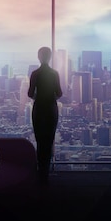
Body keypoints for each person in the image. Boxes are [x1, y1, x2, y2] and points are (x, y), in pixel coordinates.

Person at [28, 46, 63, 186]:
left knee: (40, 141)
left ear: (39, 57)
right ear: (49, 58)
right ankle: (46, 174)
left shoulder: (35, 74)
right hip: (50, 109)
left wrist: (39, 96)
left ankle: (39, 173)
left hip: (39, 109)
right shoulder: (54, 74)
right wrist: (50, 96)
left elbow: (30, 94)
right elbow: (59, 93)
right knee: (49, 141)